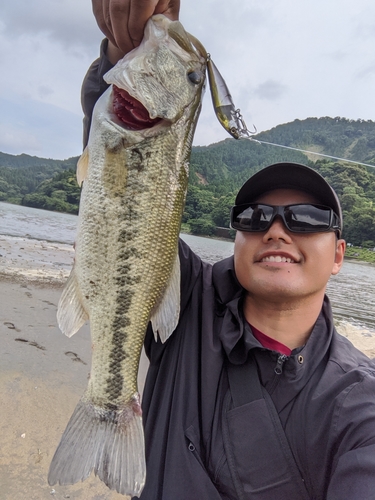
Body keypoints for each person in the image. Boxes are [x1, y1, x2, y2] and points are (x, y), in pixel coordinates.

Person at [82, 2, 375, 498]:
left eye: (306, 219)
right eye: (256, 217)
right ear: (235, 238)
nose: (277, 230)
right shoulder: (187, 300)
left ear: (340, 254)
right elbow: (124, 212)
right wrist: (120, 47)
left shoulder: (358, 404)